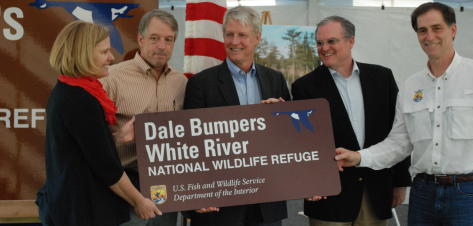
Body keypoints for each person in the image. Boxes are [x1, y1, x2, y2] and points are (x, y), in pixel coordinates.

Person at [335, 2, 473, 225]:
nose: (429, 36)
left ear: (453, 30)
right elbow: (399, 143)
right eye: (422, 30)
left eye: (437, 28)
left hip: (470, 194)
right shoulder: (412, 86)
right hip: (423, 193)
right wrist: (359, 157)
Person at [37, 20, 160, 226]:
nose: (111, 57)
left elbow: (82, 148)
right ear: (83, 54)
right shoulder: (80, 99)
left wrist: (118, 138)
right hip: (81, 212)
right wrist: (138, 201)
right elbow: (106, 167)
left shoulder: (68, 89)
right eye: (104, 52)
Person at [291, 16, 411, 226]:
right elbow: (302, 143)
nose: (324, 48)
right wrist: (308, 183)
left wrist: (401, 181)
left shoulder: (382, 78)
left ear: (351, 41)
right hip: (329, 197)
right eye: (319, 43)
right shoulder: (304, 87)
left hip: (376, 191)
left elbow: (399, 131)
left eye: (331, 41)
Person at [183, 5, 290, 226]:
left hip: (266, 202)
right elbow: (190, 146)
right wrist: (195, 194)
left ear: (257, 38)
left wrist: (282, 118)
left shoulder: (275, 80)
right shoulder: (201, 84)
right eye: (229, 34)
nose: (234, 42)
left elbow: (289, 139)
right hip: (219, 204)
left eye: (242, 35)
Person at [100, 9, 187, 226]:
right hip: (124, 184)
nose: (161, 46)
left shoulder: (182, 83)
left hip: (167, 185)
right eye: (154, 38)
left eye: (168, 40)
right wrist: (118, 136)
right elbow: (90, 138)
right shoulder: (112, 78)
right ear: (140, 39)